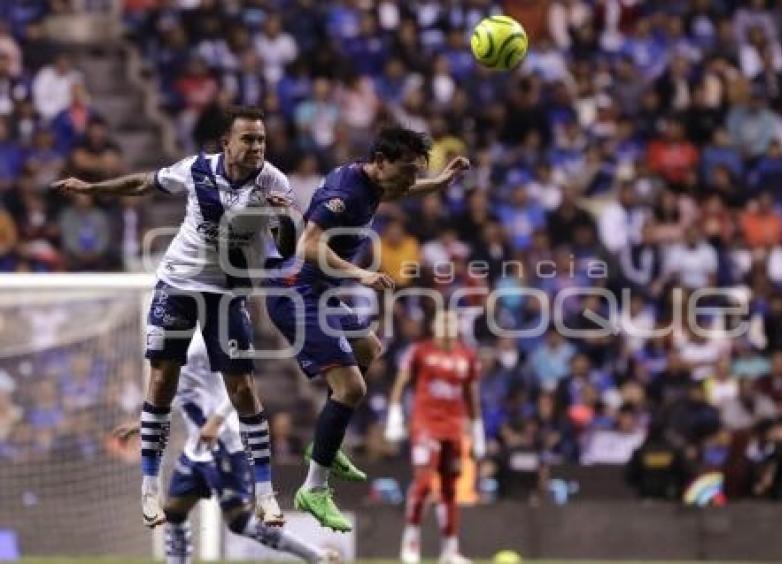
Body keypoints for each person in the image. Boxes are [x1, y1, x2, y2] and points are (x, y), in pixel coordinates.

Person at [52, 106, 291, 527]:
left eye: (261, 139)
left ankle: (266, 493)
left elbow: (286, 247)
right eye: (249, 139)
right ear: (227, 143)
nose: (257, 147)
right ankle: (148, 489)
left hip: (227, 293)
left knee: (243, 391)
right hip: (178, 284)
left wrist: (284, 215)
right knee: (162, 381)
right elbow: (144, 182)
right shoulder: (196, 169)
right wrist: (93, 189)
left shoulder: (273, 181)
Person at [265, 125, 470, 531]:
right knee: (352, 388)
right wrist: (360, 273)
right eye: (407, 170)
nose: (410, 180)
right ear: (380, 162)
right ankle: (314, 487)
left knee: (367, 350)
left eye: (415, 173)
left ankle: (325, 443)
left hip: (318, 291)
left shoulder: (375, 182)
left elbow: (400, 190)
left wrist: (441, 182)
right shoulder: (345, 193)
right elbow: (307, 245)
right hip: (296, 292)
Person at [114, 333, 339, 564]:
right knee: (174, 511)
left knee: (239, 522)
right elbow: (181, 393)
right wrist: (142, 423)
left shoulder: (206, 337)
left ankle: (315, 556)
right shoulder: (174, 341)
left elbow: (244, 385)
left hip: (224, 444)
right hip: (198, 447)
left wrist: (216, 420)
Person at [385, 309, 485, 564]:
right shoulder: (421, 351)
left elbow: (471, 397)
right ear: (434, 325)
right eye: (442, 320)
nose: (447, 325)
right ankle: (410, 541)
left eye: (452, 321)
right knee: (423, 483)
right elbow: (400, 383)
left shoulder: (468, 357)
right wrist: (395, 416)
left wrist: (477, 432)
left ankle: (450, 550)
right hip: (426, 426)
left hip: (453, 429)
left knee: (450, 488)